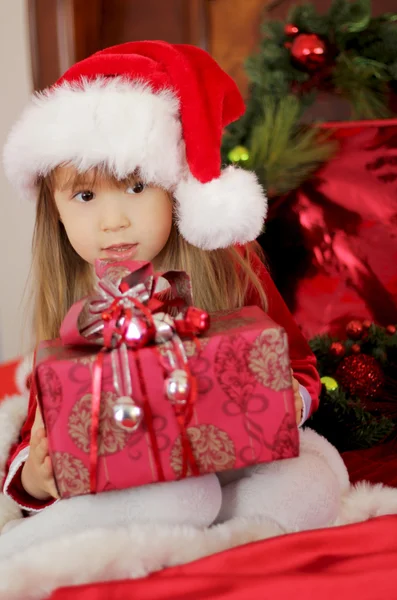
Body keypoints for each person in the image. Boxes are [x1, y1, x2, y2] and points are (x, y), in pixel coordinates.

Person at [0, 41, 349, 553]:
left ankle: (219, 547)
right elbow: (43, 429)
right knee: (184, 495)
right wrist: (32, 479)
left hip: (237, 458)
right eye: (85, 196)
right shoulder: (82, 302)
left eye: (138, 187)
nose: (113, 220)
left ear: (175, 187)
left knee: (316, 478)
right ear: (56, 212)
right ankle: (22, 553)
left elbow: (299, 369)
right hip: (139, 477)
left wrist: (263, 403)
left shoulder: (229, 266)